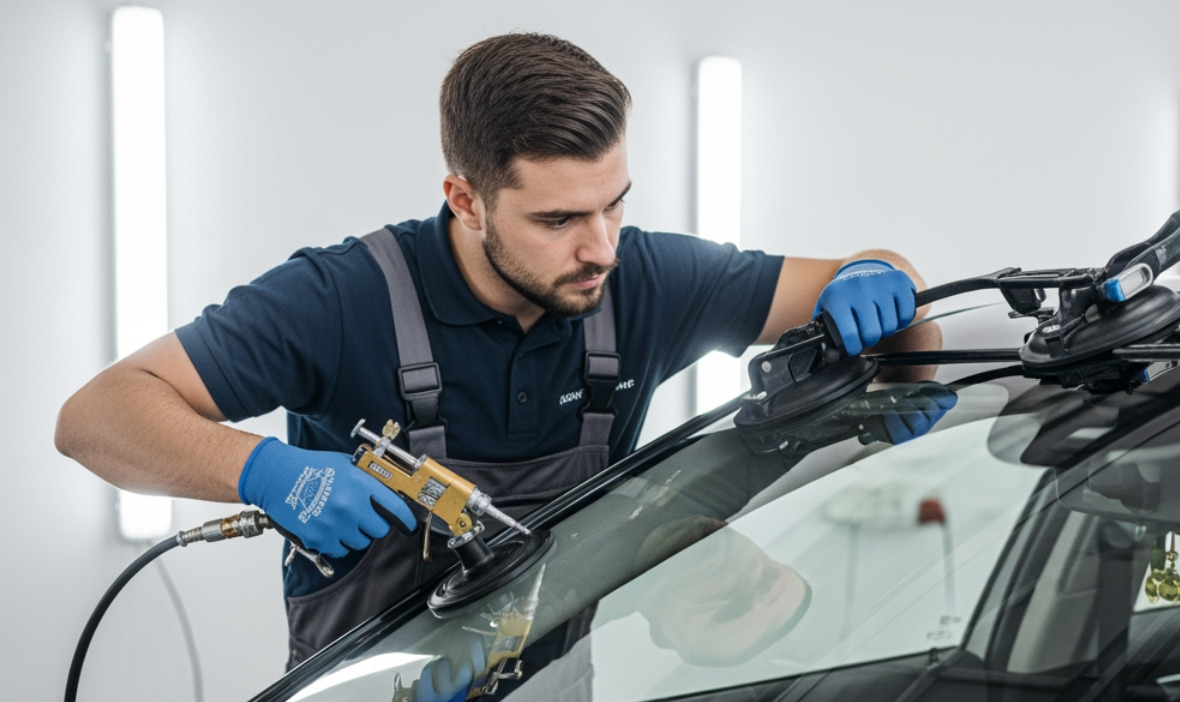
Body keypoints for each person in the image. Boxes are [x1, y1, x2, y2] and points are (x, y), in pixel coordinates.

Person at [55, 32, 942, 668]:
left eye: (615, 204)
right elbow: (96, 417)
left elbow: (894, 297)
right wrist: (266, 470)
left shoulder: (648, 281)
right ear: (466, 199)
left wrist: (880, 271)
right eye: (558, 219)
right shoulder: (339, 300)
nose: (600, 246)